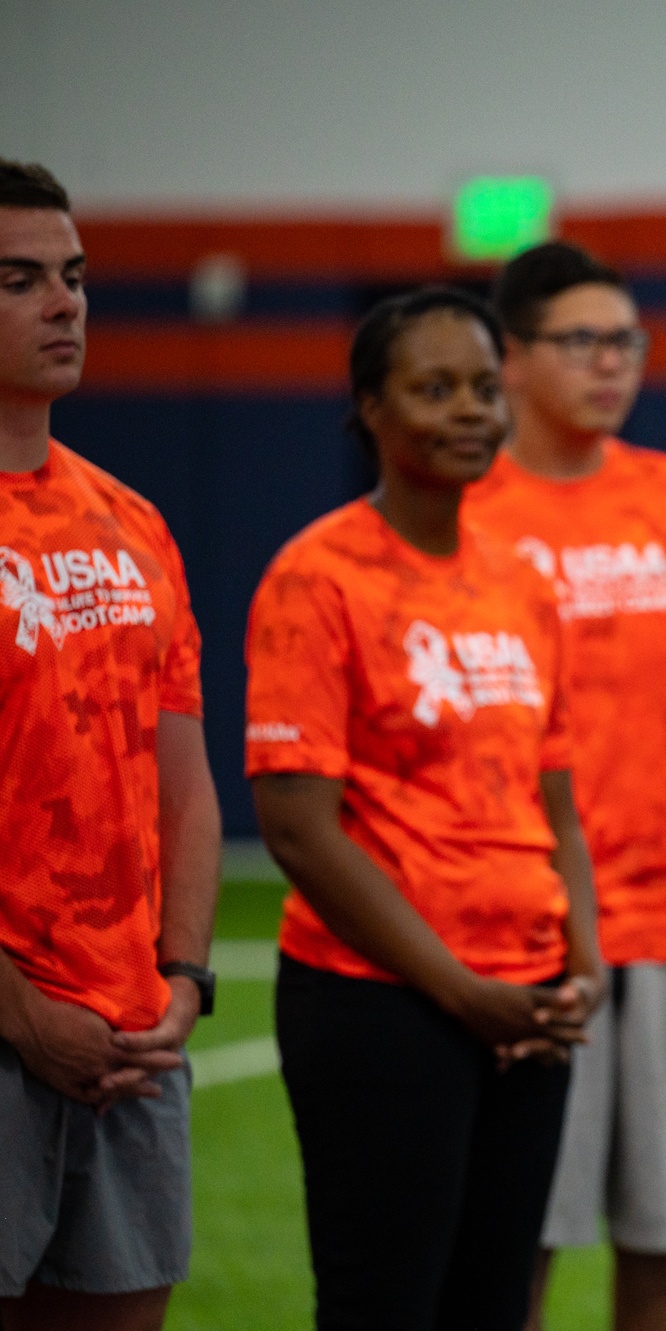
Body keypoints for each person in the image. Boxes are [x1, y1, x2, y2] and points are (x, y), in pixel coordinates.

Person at [246, 286, 605, 1331]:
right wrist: (459, 989)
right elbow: (297, 827)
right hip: (380, 1001)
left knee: (494, 1307)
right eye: (433, 388)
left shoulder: (521, 583)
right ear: (369, 407)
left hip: (527, 1004)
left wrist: (579, 965)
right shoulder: (316, 577)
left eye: (486, 389)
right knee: (383, 1308)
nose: (468, 412)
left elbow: (559, 811)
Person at [466, 241, 666, 1331]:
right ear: (508, 359)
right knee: (508, 1249)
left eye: (626, 341)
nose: (612, 363)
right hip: (520, 939)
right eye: (581, 341)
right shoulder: (465, 509)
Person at [0, 159, 223, 1331]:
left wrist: (181, 979)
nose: (64, 303)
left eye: (75, 277)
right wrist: (19, 1009)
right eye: (20, 278)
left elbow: (181, 781)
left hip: (133, 1037)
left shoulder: (133, 521)